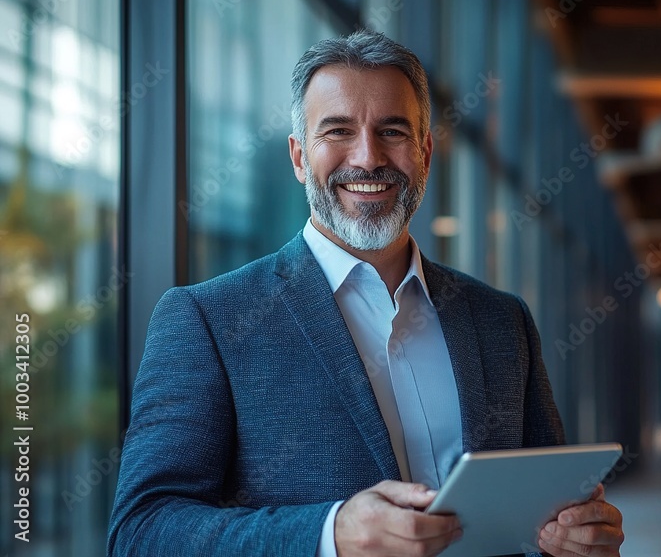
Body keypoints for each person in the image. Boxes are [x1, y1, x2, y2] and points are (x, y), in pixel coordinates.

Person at [107, 28, 625, 557]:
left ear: (424, 153)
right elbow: (142, 531)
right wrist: (329, 534)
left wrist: (574, 537)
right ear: (299, 158)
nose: (368, 157)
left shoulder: (502, 320)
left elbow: (546, 509)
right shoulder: (207, 320)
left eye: (393, 131)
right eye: (337, 132)